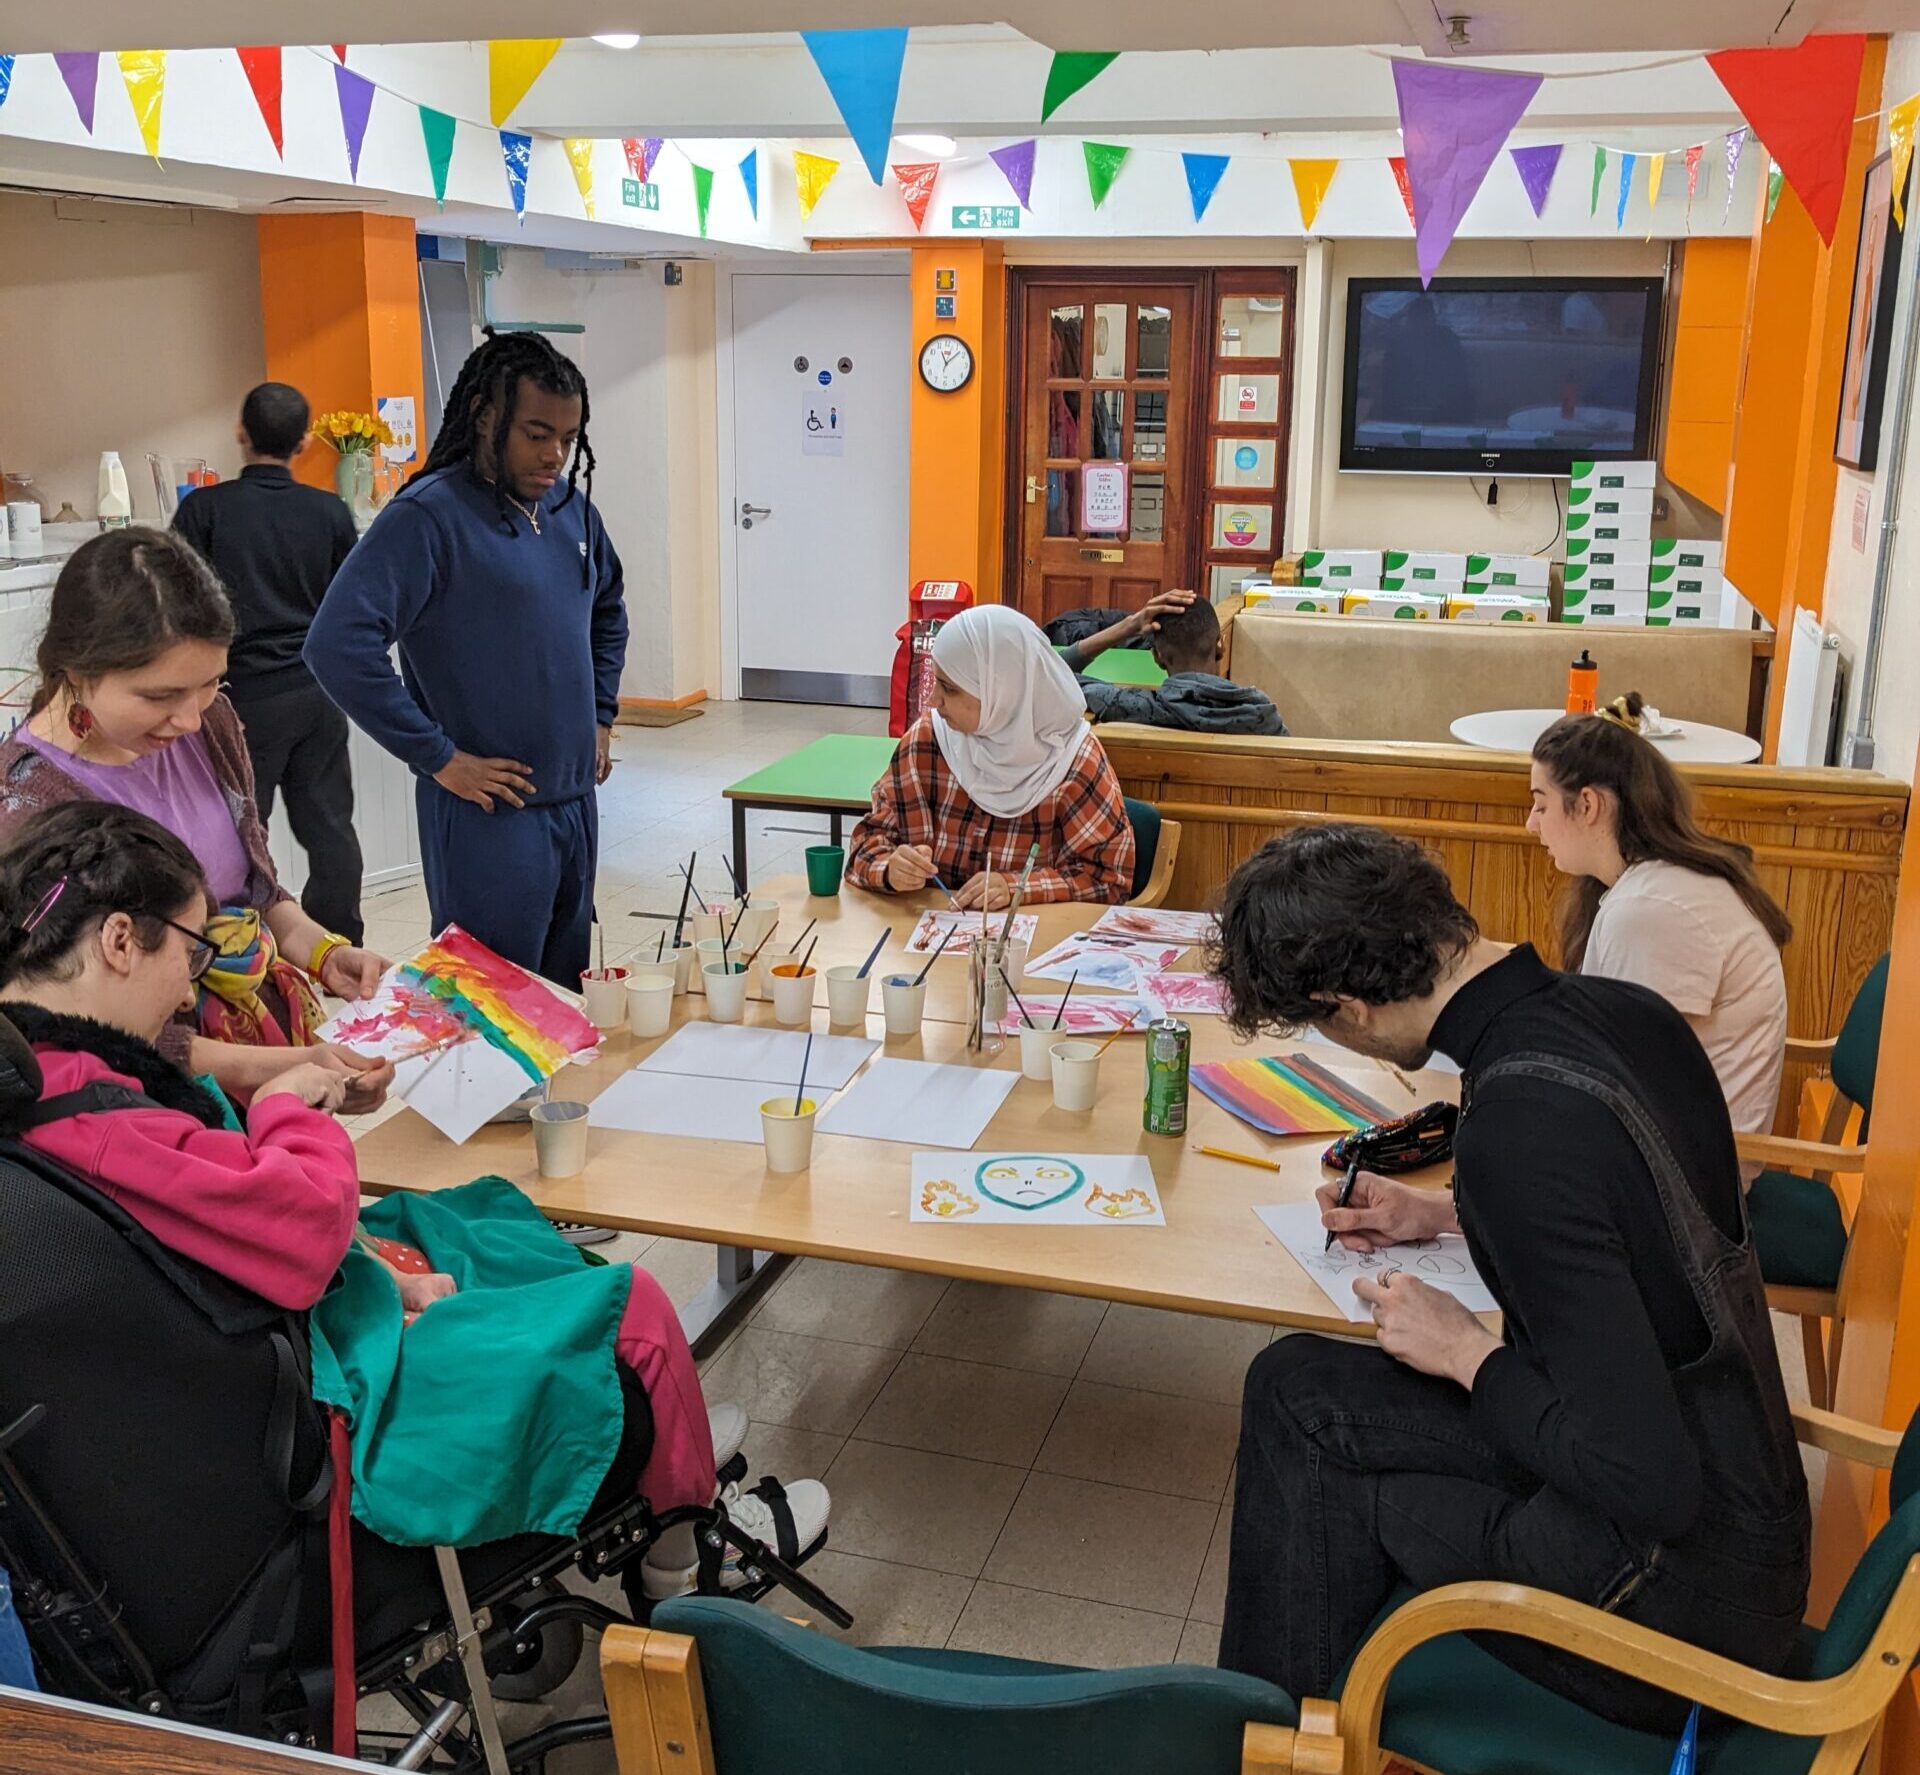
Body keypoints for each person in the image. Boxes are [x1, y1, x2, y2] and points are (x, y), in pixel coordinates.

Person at [0, 800, 830, 1598]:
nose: (189, 994)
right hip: (313, 1383)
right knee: (633, 1302)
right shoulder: (97, 1117)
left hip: (246, 1347)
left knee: (487, 1215)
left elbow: (213, 1201)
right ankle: (685, 1553)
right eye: (190, 956)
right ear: (117, 939)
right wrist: (290, 1108)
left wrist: (293, 1113)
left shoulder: (51, 1075)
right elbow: (305, 1235)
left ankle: (665, 1442)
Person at [1209, 823, 1808, 1732]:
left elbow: (1647, 1481)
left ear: (1349, 1010)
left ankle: (1272, 1744)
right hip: (1750, 1499)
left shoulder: (1516, 1129)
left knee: (1320, 1467)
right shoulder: (1625, 1011)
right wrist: (1444, 1215)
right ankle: (1277, 1734)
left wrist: (1464, 1352)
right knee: (1295, 1384)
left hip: (1677, 1600)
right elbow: (1641, 1228)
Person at [0, 530, 390, 1106]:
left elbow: (255, 892)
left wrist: (327, 955)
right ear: (78, 671)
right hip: (151, 1096)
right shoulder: (29, 804)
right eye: (160, 695)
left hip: (262, 1051)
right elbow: (84, 1025)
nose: (187, 718)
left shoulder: (211, 725)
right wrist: (289, 1067)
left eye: (210, 683)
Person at [305, 330, 628, 987]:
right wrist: (438, 756)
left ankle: (560, 1097)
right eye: (537, 433)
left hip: (573, 805)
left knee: (562, 997)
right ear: (487, 419)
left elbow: (607, 607)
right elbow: (337, 642)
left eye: (567, 436)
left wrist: (600, 713)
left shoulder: (569, 511)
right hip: (488, 818)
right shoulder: (430, 516)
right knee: (491, 1006)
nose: (555, 454)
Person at [1528, 694, 1790, 1151]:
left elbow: (1626, 1082)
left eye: (1541, 804)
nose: (1531, 824)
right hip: (1673, 1154)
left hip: (1689, 1185)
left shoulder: (1653, 909)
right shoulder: (1651, 887)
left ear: (1588, 805)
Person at [173, 382, 366, 943]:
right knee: (330, 827)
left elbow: (178, 600)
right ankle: (336, 944)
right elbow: (348, 605)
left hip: (236, 701)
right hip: (316, 694)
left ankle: (240, 945)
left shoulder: (203, 509)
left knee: (236, 830)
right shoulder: (329, 512)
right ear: (305, 442)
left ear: (241, 432)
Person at [846, 604, 1135, 907]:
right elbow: (867, 842)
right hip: (930, 937)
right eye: (935, 682)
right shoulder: (930, 740)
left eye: (950, 688)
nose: (933, 701)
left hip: (1029, 945)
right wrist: (890, 869)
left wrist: (1017, 888)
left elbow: (1110, 881)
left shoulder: (1073, 761)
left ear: (1002, 691)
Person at [1059, 589, 1284, 736]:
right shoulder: (1263, 715)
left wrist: (1129, 625)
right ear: (1221, 646)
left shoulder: (1132, 706)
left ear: (1157, 657)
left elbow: (1052, 673)